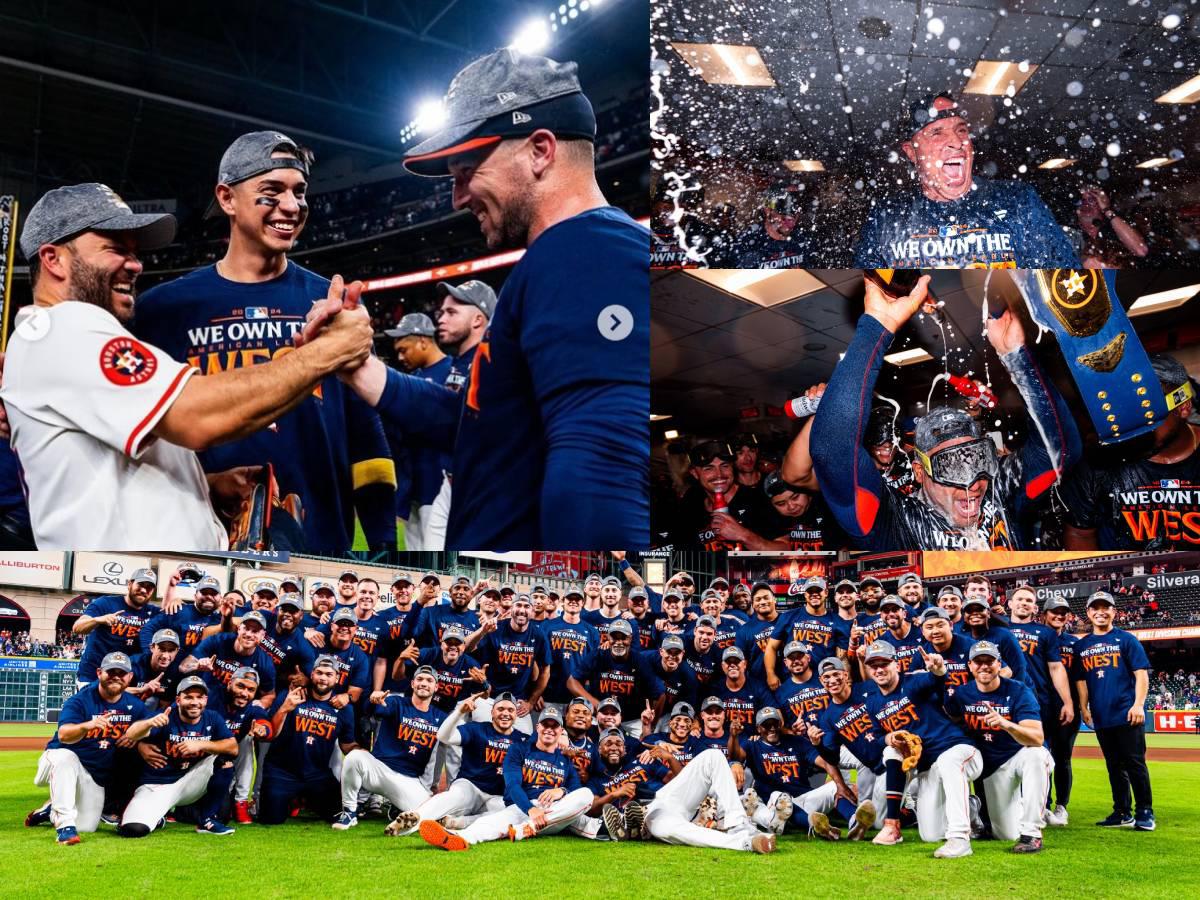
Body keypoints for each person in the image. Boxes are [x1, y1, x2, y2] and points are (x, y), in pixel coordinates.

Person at [319, 49, 648, 549]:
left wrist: (590, 591)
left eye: (467, 170)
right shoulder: (560, 256)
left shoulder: (587, 250)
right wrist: (359, 366)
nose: (457, 197)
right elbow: (477, 422)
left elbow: (604, 466)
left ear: (540, 150)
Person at [1, 182, 375, 549]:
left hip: (149, 577)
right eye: (115, 249)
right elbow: (195, 417)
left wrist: (206, 487)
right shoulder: (63, 327)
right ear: (54, 259)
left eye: (135, 252)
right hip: (130, 581)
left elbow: (104, 479)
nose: (135, 265)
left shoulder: (60, 340)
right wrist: (328, 350)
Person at [133, 131, 396, 553]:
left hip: (319, 547)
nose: (291, 206)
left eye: (299, 192)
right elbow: (141, 445)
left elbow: (366, 434)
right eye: (272, 191)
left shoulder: (331, 303)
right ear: (227, 198)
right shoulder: (161, 311)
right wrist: (207, 484)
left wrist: (383, 539)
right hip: (199, 543)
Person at [810, 274, 1080, 549]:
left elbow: (1060, 451)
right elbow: (832, 450)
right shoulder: (900, 522)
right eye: (950, 465)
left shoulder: (998, 492)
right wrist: (877, 326)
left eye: (975, 458)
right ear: (919, 472)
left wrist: (1017, 357)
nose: (971, 483)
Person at [853, 93, 1079, 268]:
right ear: (911, 152)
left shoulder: (1018, 200)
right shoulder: (887, 216)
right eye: (937, 132)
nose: (956, 141)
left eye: (961, 130)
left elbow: (1062, 278)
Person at [1063, 355, 1200, 550]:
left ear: (1183, 407)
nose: (1135, 423)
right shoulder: (1099, 463)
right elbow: (1080, 533)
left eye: (1146, 409)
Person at [860, 641, 982, 858]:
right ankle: (969, 807)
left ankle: (960, 838)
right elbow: (877, 738)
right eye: (873, 665)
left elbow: (937, 679)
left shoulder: (913, 681)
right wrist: (889, 737)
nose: (879, 669)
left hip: (957, 749)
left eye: (884, 663)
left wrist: (938, 669)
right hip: (928, 766)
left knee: (948, 762)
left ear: (896, 664)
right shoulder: (872, 702)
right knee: (931, 834)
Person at [417, 705, 594, 849]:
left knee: (586, 795)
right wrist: (530, 809)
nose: (549, 729)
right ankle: (457, 837)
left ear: (561, 730)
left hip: (553, 812)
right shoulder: (519, 750)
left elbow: (576, 792)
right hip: (523, 808)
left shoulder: (565, 760)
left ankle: (527, 828)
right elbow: (512, 785)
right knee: (490, 822)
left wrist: (561, 791)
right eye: (545, 725)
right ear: (537, 727)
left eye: (554, 726)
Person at [24, 652, 148, 845]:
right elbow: (64, 735)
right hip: (57, 760)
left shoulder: (135, 706)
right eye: (111, 672)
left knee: (86, 826)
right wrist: (86, 726)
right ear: (99, 673)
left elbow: (147, 728)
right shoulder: (80, 700)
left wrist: (139, 739)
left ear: (130, 677)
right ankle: (64, 826)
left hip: (92, 773)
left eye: (121, 673)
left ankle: (50, 810)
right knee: (66, 758)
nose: (116, 676)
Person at [944, 641, 1053, 854]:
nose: (984, 666)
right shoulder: (962, 694)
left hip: (1017, 755)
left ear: (999, 664)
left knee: (1038, 756)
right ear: (970, 665)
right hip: (991, 768)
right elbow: (953, 719)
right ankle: (974, 806)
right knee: (1005, 833)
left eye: (989, 661)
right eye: (978, 662)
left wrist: (1006, 724)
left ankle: (1032, 833)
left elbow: (1037, 738)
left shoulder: (1018, 690)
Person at [386, 690, 523, 836]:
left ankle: (459, 822)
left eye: (510, 710)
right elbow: (443, 737)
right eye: (500, 709)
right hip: (470, 787)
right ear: (492, 712)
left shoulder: (523, 741)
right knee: (453, 797)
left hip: (498, 796)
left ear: (516, 714)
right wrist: (459, 712)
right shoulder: (476, 729)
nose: (505, 713)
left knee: (511, 811)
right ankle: (415, 818)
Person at [117, 675, 238, 838]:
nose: (195, 702)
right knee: (134, 829)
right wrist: (148, 723)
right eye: (188, 697)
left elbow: (233, 748)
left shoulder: (212, 717)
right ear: (178, 700)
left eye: (199, 697)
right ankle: (158, 816)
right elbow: (131, 734)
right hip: (159, 784)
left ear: (206, 700)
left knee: (224, 761)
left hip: (192, 780)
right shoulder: (165, 716)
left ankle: (207, 820)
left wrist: (201, 744)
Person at [1074, 591, 1154, 831]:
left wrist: (1138, 704)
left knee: (1135, 763)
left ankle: (1145, 811)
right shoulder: (1081, 645)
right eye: (1095, 608)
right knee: (1114, 765)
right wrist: (1083, 707)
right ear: (1088, 613)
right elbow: (1081, 680)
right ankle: (1121, 811)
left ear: (1114, 612)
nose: (1101, 612)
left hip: (1127, 713)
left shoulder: (1126, 640)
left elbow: (1141, 674)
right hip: (1102, 715)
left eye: (1105, 607)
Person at [333, 665, 446, 829]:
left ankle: (397, 807)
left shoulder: (441, 717)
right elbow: (374, 709)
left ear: (436, 687)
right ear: (412, 684)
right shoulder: (396, 702)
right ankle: (349, 812)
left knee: (430, 817)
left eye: (429, 680)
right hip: (379, 770)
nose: (424, 683)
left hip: (409, 780)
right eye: (420, 679)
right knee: (354, 757)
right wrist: (373, 701)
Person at [257, 656, 357, 825]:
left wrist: (363, 754)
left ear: (337, 678)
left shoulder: (344, 709)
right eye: (319, 673)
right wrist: (284, 709)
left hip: (317, 774)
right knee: (270, 819)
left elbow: (347, 745)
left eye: (328, 674)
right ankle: (292, 800)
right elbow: (271, 735)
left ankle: (302, 799)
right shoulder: (291, 695)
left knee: (337, 815)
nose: (323, 678)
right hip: (282, 772)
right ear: (311, 674)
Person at [668, 440, 778, 549]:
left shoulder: (757, 500)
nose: (719, 474)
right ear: (695, 473)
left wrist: (744, 535)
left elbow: (784, 549)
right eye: (709, 468)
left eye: (725, 466)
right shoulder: (691, 505)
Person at [72, 568, 160, 689]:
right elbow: (77, 627)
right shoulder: (105, 603)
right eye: (140, 585)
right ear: (129, 584)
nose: (144, 590)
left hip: (127, 677)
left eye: (149, 587)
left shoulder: (154, 612)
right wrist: (98, 620)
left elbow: (177, 616)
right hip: (94, 674)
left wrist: (174, 596)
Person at [1041, 596, 1081, 826]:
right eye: (1054, 612)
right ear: (1044, 614)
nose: (1059, 616)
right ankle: (1043, 806)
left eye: (1063, 612)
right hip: (1042, 706)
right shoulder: (1036, 636)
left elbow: (1080, 679)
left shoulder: (1074, 643)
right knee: (1041, 758)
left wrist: (1079, 705)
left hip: (1068, 708)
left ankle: (1061, 806)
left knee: (1063, 758)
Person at [733, 185, 812, 268]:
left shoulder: (805, 241)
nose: (791, 217)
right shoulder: (747, 244)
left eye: (796, 206)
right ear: (767, 209)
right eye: (784, 206)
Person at [1075, 186, 1149, 268]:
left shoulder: (1115, 229)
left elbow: (1140, 250)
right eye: (1082, 201)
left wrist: (1107, 210)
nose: (1086, 205)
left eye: (1091, 200)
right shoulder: (1071, 231)